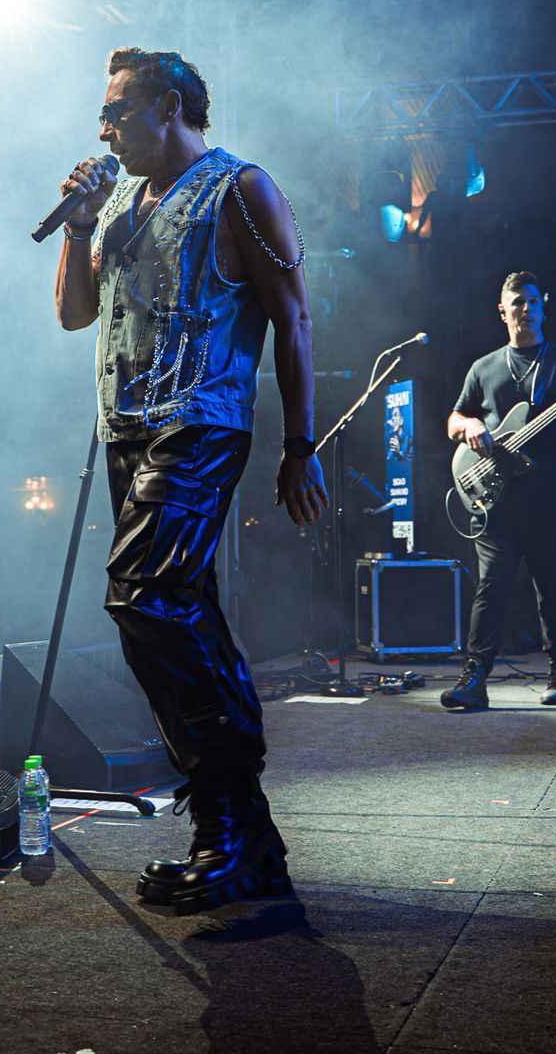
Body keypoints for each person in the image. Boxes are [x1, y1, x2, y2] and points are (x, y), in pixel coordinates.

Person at [52, 46, 325, 914]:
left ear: (169, 106)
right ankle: (239, 833)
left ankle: (230, 814)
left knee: (143, 598)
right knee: (176, 609)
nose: (103, 128)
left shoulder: (241, 189)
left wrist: (299, 445)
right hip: (127, 430)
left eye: (118, 111)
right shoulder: (124, 203)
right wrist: (80, 224)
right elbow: (74, 315)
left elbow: (294, 318)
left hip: (201, 424)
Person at [443, 271, 556, 711]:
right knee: (491, 588)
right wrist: (471, 425)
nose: (526, 309)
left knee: (553, 588)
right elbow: (453, 421)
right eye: (517, 302)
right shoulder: (484, 368)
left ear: (543, 307)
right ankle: (474, 679)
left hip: (550, 499)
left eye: (533, 301)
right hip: (496, 501)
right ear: (502, 311)